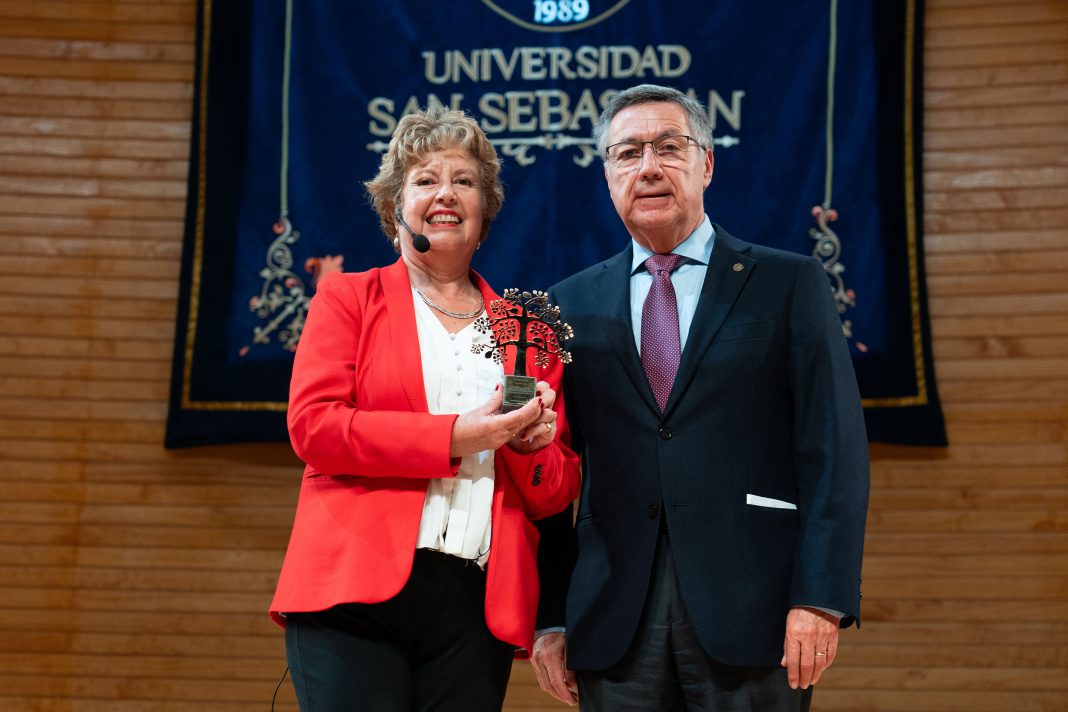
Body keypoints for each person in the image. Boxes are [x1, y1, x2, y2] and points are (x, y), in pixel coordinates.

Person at [530, 84, 869, 711]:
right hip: (611, 614)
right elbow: (548, 471)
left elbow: (835, 449)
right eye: (627, 153)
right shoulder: (565, 305)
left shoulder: (788, 283)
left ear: (706, 164)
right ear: (607, 174)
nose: (649, 167)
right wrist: (550, 617)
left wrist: (821, 596)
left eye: (668, 147)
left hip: (756, 609)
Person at [269, 106, 581, 712]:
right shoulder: (348, 299)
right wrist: (456, 437)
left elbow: (554, 491)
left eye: (464, 181)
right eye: (426, 179)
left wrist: (530, 446)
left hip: (477, 605)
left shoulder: (527, 332)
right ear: (395, 208)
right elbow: (315, 428)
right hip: (352, 594)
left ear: (485, 210)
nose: (446, 193)